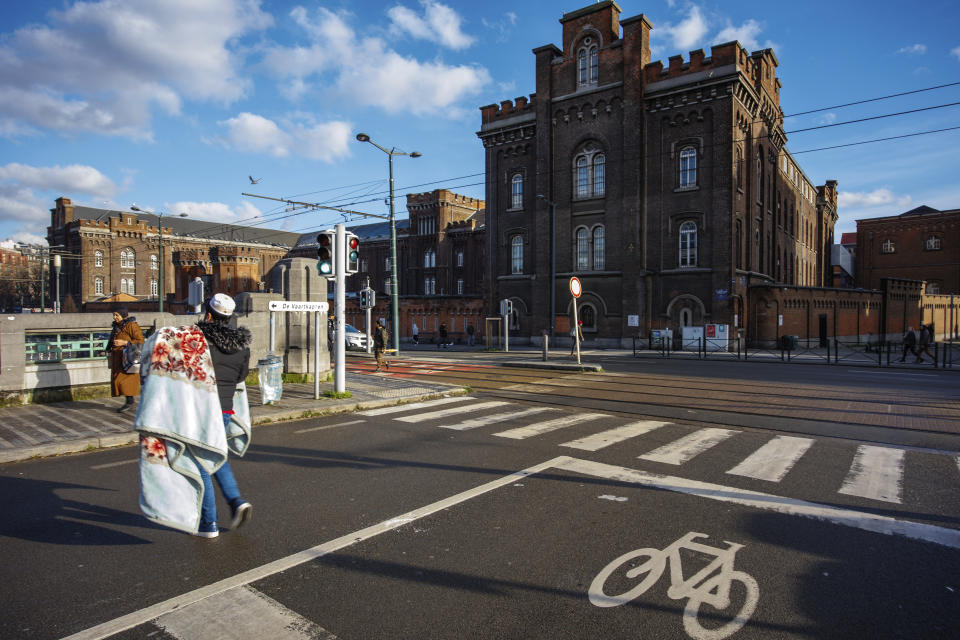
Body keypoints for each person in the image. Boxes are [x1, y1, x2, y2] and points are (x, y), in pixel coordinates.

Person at [194, 293, 253, 538]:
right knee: (217, 457)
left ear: (209, 314)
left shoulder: (199, 342)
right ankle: (236, 501)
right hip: (226, 409)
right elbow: (240, 377)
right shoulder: (241, 346)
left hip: (201, 408)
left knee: (201, 465)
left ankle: (208, 524)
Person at [108, 307, 144, 413]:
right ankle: (129, 401)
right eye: (114, 315)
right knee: (118, 380)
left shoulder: (131, 325)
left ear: (123, 315)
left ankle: (130, 402)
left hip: (127, 358)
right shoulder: (117, 326)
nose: (114, 318)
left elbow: (140, 340)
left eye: (117, 315)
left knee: (125, 381)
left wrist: (124, 343)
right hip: (118, 357)